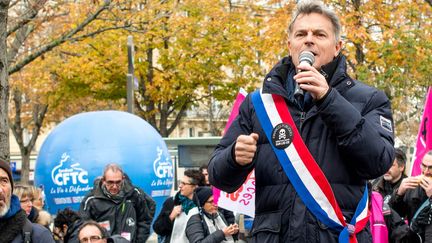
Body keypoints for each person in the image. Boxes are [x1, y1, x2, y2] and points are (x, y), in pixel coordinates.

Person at [208, 1, 394, 242]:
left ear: (337, 46)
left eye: (319, 34)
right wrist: (234, 157)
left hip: (335, 235)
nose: (309, 40)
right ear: (290, 45)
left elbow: (378, 162)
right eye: (301, 34)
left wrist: (329, 99)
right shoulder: (259, 104)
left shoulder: (369, 99)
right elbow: (218, 178)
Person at [79, 163, 155, 243]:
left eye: (118, 182)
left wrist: (139, 240)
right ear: (103, 180)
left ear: (123, 178)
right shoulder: (91, 199)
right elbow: (84, 228)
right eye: (110, 182)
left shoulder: (134, 194)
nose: (114, 186)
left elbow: (145, 218)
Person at [0, 157, 55, 242]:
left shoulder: (39, 236)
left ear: (11, 190)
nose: (0, 190)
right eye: (25, 201)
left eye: (4, 181)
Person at [390, 150, 432, 242]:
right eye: (424, 166)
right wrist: (399, 194)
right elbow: (397, 214)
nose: (426, 172)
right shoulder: (413, 186)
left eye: (431, 168)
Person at [153, 169, 204, 243]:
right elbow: (157, 228)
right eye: (180, 182)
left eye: (184, 183)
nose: (180, 186)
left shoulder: (203, 203)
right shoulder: (171, 202)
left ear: (195, 187)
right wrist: (170, 217)